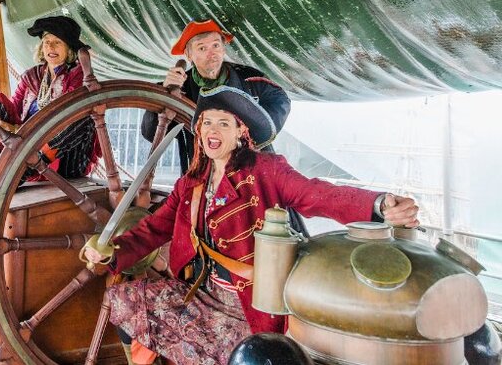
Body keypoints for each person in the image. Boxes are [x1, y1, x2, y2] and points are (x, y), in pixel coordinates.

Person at [84, 85, 419, 364]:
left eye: (223, 124)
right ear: (198, 130)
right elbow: (155, 228)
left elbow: (315, 194)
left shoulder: (266, 169)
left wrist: (376, 204)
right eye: (206, 123)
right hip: (203, 293)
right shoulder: (193, 181)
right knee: (126, 299)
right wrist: (113, 250)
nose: (212, 131)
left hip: (252, 306)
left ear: (240, 134)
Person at [0, 15, 100, 194]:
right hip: (24, 141)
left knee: (81, 117)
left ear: (69, 48)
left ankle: (21, 173)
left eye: (57, 42)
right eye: (47, 41)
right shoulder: (32, 76)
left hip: (61, 157)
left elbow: (67, 119)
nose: (50, 47)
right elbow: (15, 109)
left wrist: (26, 136)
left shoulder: (78, 76)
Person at [141, 19, 291, 175]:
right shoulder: (178, 89)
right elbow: (151, 133)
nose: (211, 53)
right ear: (188, 54)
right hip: (202, 176)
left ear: (223, 49)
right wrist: (164, 95)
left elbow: (280, 100)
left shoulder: (250, 78)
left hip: (253, 172)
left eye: (215, 45)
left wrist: (255, 133)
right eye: (202, 48)